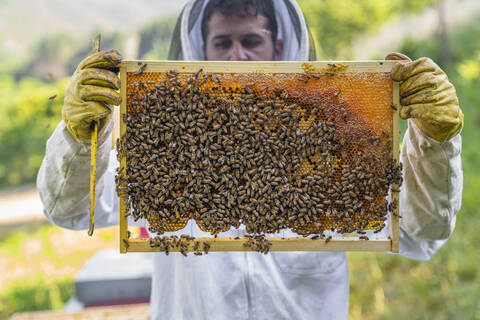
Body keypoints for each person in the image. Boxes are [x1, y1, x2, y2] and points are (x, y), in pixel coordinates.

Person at [37, 0, 463, 319]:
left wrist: (432, 143)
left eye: (250, 41)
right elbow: (73, 209)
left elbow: (422, 231)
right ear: (199, 49)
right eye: (223, 42)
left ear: (278, 45)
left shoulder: (329, 140)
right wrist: (79, 138)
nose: (236, 56)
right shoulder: (167, 144)